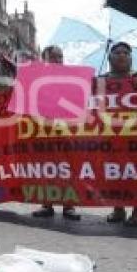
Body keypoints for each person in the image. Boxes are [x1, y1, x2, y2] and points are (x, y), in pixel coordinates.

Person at [31, 45, 81, 221]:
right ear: (44, 59)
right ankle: (47, 204)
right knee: (47, 168)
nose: (58, 60)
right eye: (54, 57)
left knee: (67, 167)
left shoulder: (72, 79)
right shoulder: (35, 80)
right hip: (43, 131)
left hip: (66, 131)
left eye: (60, 57)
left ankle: (69, 206)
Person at [103, 41, 137, 227]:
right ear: (109, 57)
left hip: (135, 136)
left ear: (131, 59)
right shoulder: (101, 80)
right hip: (109, 134)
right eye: (117, 52)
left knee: (136, 173)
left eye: (126, 53)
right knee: (113, 172)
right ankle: (118, 209)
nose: (122, 55)